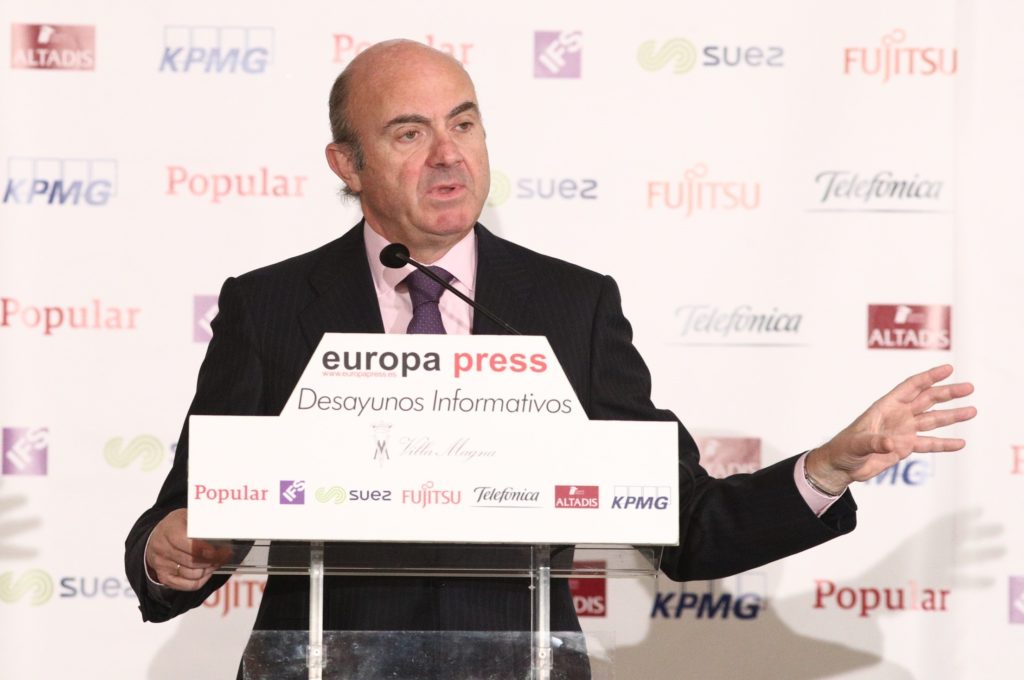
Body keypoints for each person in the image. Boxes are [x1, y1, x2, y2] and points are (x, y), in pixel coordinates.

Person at [125, 39, 976, 674]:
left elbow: (685, 525)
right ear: (346, 163)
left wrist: (826, 468)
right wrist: (168, 551)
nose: (449, 155)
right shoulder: (270, 306)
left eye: (463, 124)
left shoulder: (570, 306)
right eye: (409, 133)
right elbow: (190, 512)